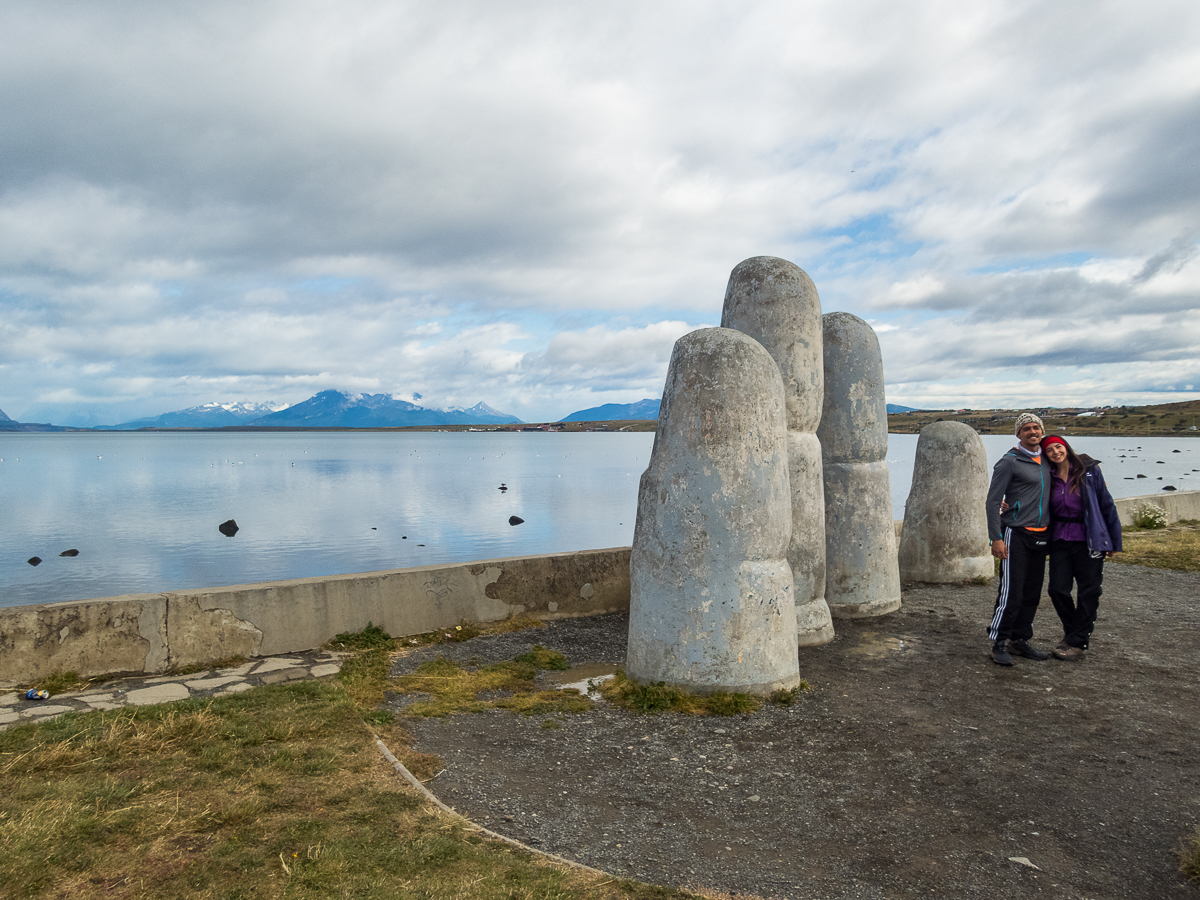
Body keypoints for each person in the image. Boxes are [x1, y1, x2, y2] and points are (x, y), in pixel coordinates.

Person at [1040, 435, 1121, 661]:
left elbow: (1107, 504)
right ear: (1046, 455)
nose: (1056, 452)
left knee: (1089, 591)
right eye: (1049, 450)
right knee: (1057, 589)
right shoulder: (1049, 476)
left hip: (1089, 539)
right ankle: (1073, 632)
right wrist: (1006, 503)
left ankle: (1077, 643)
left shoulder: (1089, 471)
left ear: (1066, 447)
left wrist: (1113, 540)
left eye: (1058, 446)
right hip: (1059, 540)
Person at [985, 413, 1052, 666]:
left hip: (1042, 534)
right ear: (1018, 434)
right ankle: (999, 642)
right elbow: (993, 502)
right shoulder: (1009, 462)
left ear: (1041, 431)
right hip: (1015, 533)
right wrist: (996, 538)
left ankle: (1019, 640)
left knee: (1032, 592)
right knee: (1011, 592)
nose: (1032, 432)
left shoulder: (1047, 460)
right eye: (1026, 429)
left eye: (1036, 428)